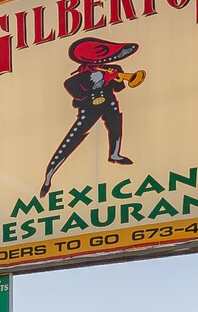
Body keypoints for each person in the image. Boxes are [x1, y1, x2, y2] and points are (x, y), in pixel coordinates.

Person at [39, 37, 145, 197]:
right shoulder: (75, 79)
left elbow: (120, 87)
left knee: (116, 124)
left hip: (110, 103)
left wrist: (118, 77)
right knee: (74, 137)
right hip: (90, 109)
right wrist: (100, 81)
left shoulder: (114, 68)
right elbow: (79, 94)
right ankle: (49, 176)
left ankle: (114, 154)